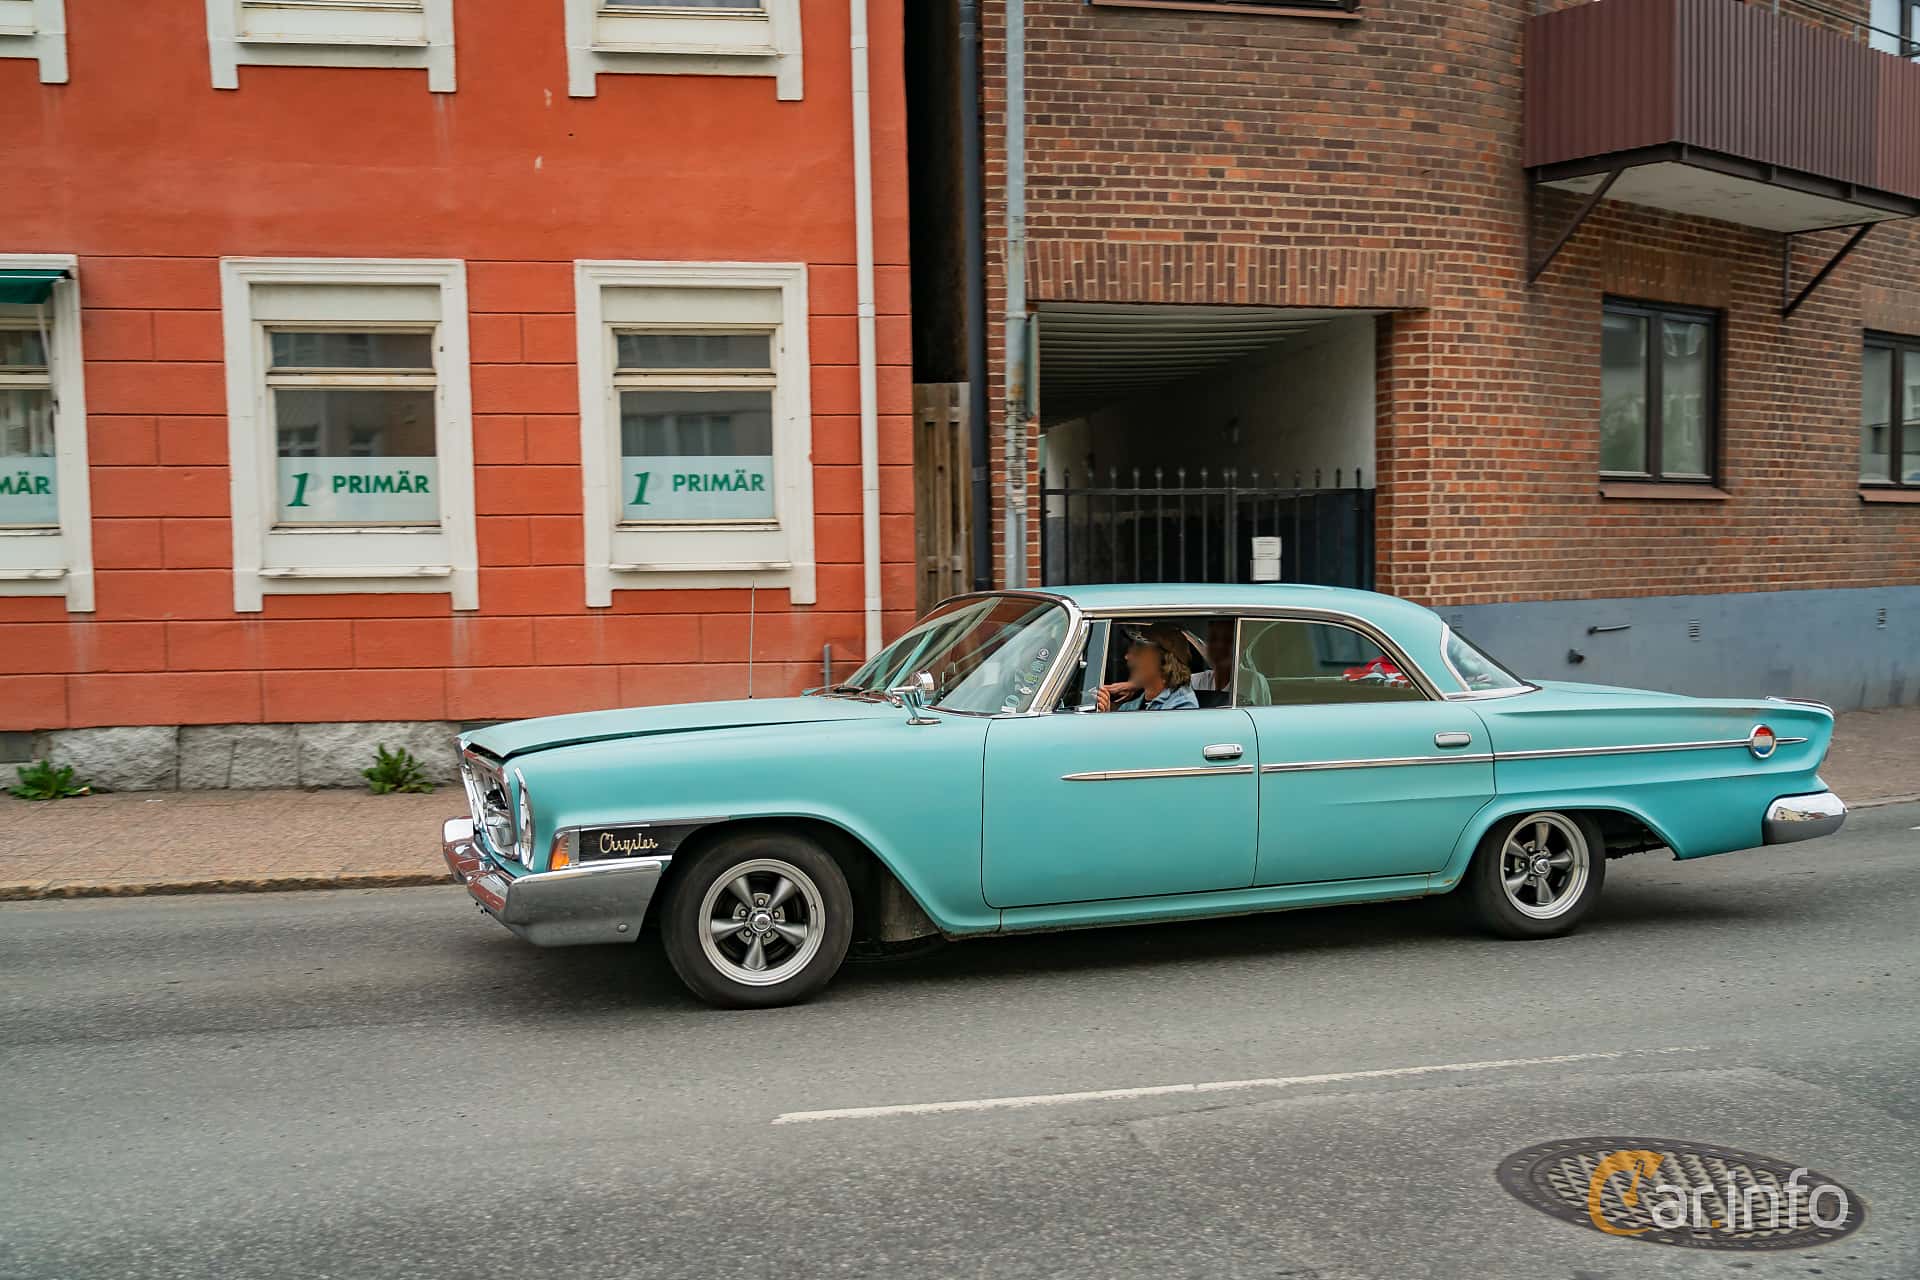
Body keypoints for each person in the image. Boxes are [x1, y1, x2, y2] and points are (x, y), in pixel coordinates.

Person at [1095, 624, 1200, 712]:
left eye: (1139, 648)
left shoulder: (1183, 707)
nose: (1127, 656)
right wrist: (1106, 714)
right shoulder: (1131, 706)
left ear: (1165, 659)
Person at [1191, 618, 1269, 705]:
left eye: (1228, 639)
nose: (1219, 646)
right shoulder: (1194, 682)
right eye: (1213, 638)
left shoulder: (1254, 683)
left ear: (1241, 646)